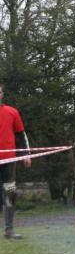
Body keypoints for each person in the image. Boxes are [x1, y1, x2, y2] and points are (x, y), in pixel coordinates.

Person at [0, 84, 31, 239]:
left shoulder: (12, 112)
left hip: (9, 160)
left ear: (2, 94)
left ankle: (9, 230)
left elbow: (20, 135)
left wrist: (26, 154)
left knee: (9, 193)